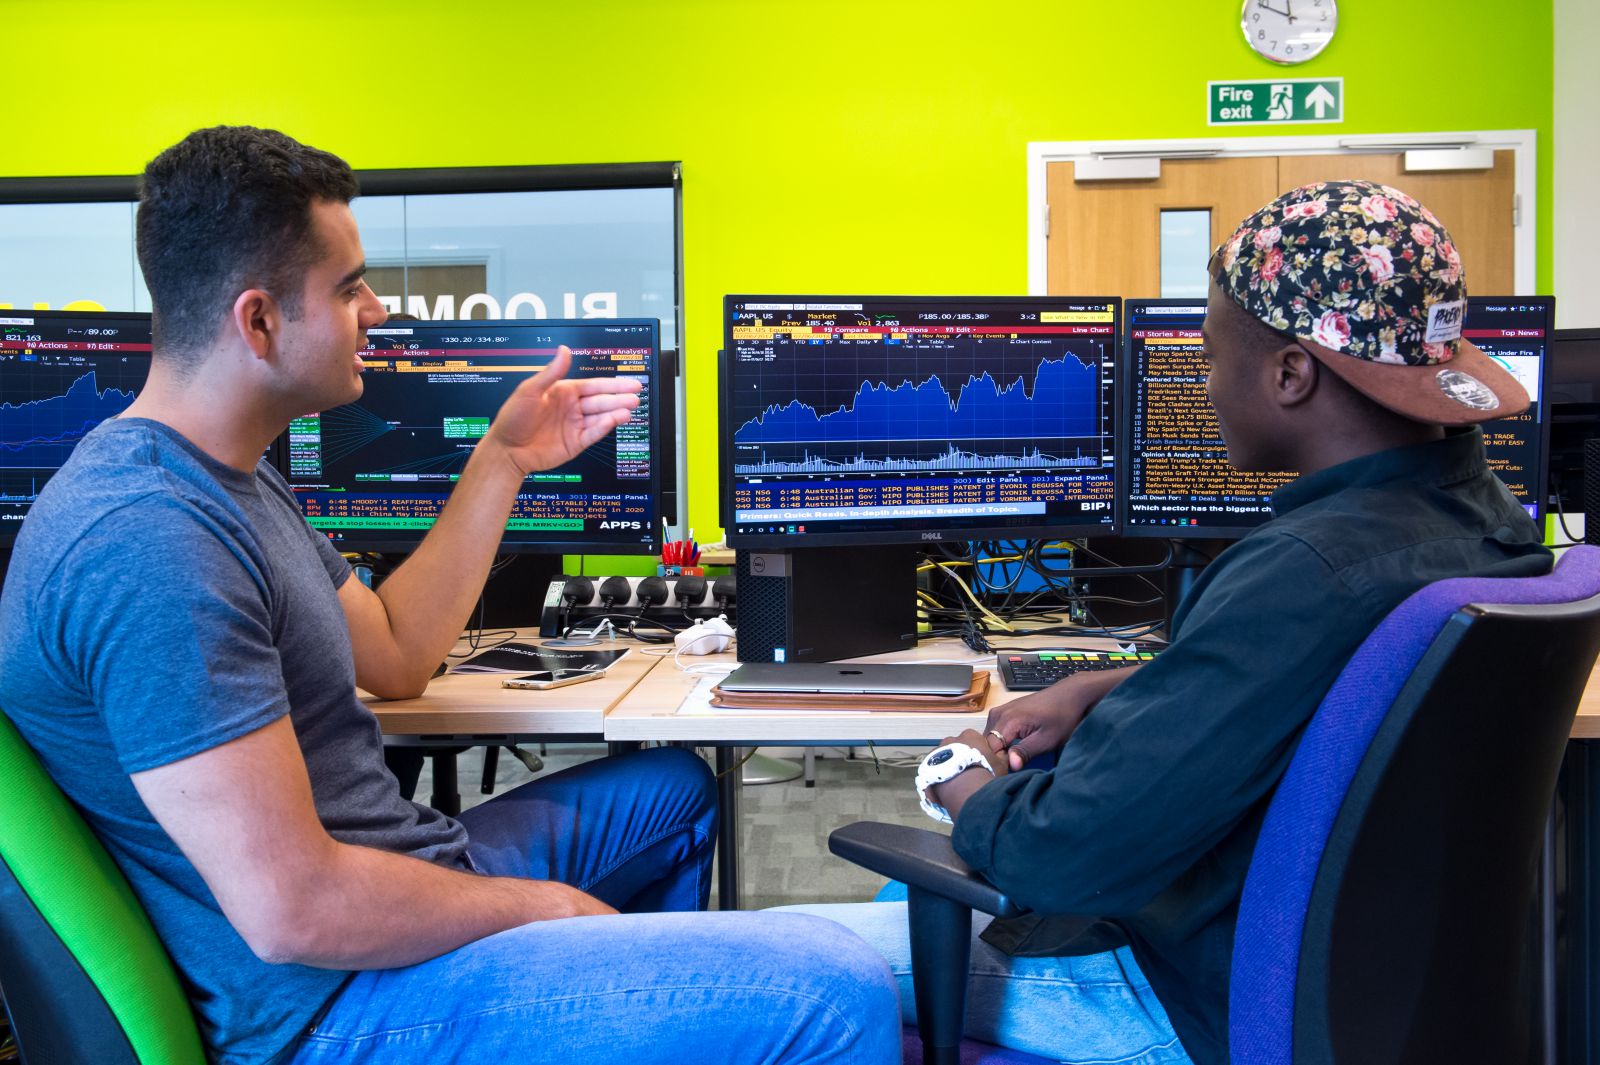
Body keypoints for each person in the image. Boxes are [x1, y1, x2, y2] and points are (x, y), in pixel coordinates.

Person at [0, 125, 898, 1065]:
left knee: (671, 794)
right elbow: (292, 911)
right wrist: (544, 912)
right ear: (258, 320)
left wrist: (503, 460)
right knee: (835, 991)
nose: (379, 308)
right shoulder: (150, 543)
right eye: (349, 287)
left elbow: (394, 653)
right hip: (327, 1002)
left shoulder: (230, 476)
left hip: (395, 875)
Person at [785, 180, 1553, 1065]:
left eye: (1211, 353)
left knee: (781, 961)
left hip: (1188, 993)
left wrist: (963, 780)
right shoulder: (1474, 514)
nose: (1206, 379)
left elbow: (1060, 854)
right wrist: (1118, 683)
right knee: (900, 900)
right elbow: (1341, 677)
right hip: (1347, 978)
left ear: (1291, 372)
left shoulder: (1304, 572)